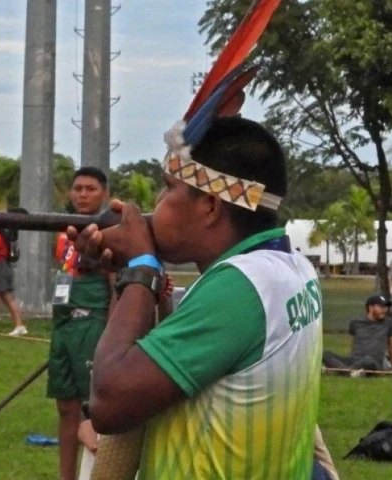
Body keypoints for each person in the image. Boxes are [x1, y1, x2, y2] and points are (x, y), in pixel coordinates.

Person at [73, 116, 323, 478]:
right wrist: (127, 271)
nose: (156, 204)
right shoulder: (291, 269)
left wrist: (142, 267)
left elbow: (110, 402)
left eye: (168, 189)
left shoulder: (241, 286)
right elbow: (148, 356)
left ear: (209, 206)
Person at [46, 167, 119, 480]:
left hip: (94, 324)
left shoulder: (109, 233)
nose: (83, 194)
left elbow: (116, 284)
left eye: (90, 189)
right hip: (64, 324)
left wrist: (114, 331)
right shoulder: (64, 234)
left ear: (103, 193)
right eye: (78, 188)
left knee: (93, 409)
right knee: (65, 407)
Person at [322, 294, 392, 375]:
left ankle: (341, 370)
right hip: (354, 361)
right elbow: (353, 343)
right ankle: (349, 371)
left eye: (386, 307)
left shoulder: (388, 323)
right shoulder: (356, 323)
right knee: (324, 354)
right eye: (381, 307)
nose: (385, 310)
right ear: (371, 307)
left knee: (368, 361)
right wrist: (351, 358)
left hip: (373, 363)